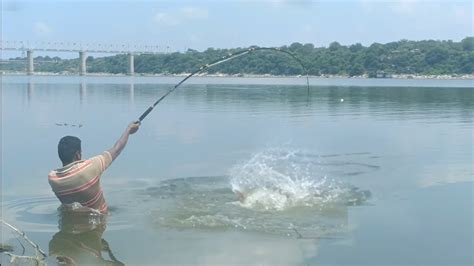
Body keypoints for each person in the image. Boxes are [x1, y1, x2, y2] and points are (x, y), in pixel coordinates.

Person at [48, 121, 140, 213]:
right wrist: (128, 130)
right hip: (99, 221)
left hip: (68, 221)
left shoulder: (52, 178)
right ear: (77, 155)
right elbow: (116, 149)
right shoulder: (90, 167)